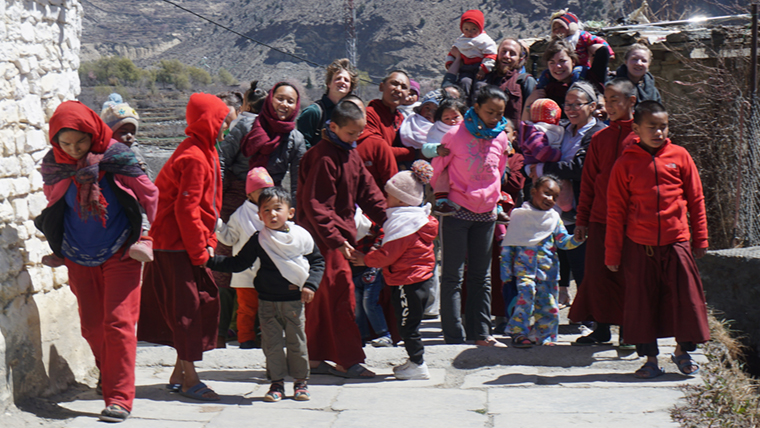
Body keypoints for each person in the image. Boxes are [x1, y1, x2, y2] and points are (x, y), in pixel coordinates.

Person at [36, 101, 158, 422]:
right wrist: (58, 243)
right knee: (92, 325)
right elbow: (54, 202)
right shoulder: (55, 165)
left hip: (121, 249)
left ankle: (119, 398)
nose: (74, 150)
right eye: (65, 144)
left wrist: (143, 236)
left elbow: (148, 195)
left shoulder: (117, 156)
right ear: (55, 142)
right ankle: (108, 371)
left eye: (81, 142)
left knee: (118, 323)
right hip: (78, 252)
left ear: (93, 134)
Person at [605, 100, 709, 379]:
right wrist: (613, 254)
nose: (659, 132)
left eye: (663, 126)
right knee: (642, 302)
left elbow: (696, 199)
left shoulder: (681, 155)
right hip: (640, 244)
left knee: (685, 298)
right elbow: (615, 212)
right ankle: (650, 358)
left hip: (677, 241)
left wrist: (700, 238)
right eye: (652, 127)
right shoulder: (625, 163)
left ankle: (681, 351)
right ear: (637, 128)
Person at [138, 93, 230, 402]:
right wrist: (199, 252)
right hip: (174, 246)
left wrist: (209, 241)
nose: (225, 127)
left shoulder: (206, 151)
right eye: (221, 121)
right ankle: (191, 380)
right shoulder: (192, 156)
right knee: (188, 311)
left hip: (186, 244)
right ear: (208, 122)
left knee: (200, 304)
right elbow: (186, 211)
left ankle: (178, 374)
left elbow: (207, 208)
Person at [207, 186, 325, 401]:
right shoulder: (259, 238)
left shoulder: (301, 236)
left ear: (290, 212)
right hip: (267, 302)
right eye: (266, 210)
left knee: (297, 343)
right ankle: (276, 384)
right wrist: (208, 260)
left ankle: (301, 383)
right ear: (259, 215)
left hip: (293, 301)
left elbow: (317, 261)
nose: (272, 214)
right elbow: (239, 263)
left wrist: (310, 285)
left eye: (277, 209)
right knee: (271, 345)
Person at [297, 99, 388, 378]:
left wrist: (391, 219)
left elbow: (368, 191)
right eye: (351, 134)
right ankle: (348, 361)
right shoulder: (323, 156)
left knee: (323, 300)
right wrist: (336, 239)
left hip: (336, 240)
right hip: (323, 242)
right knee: (341, 296)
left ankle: (313, 358)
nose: (355, 139)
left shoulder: (350, 153)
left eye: (359, 134)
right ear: (333, 127)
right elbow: (316, 206)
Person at [431, 86, 514, 346]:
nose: (493, 117)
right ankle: (453, 335)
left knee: (482, 275)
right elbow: (437, 170)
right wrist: (444, 195)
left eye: (499, 113)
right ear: (476, 107)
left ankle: (481, 333)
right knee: (453, 275)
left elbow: (499, 172)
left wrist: (493, 198)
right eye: (489, 111)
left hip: (487, 213)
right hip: (457, 211)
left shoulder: (501, 138)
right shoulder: (454, 135)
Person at [352, 160, 438, 380]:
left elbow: (388, 253)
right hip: (419, 279)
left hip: (406, 281)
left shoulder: (403, 226)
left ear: (400, 199)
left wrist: (365, 259)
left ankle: (418, 364)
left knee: (407, 325)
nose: (385, 200)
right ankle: (413, 360)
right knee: (411, 323)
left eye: (389, 195)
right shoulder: (417, 219)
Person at [571, 79, 638, 346]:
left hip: (631, 221)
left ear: (631, 101)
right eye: (606, 100)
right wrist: (582, 219)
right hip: (600, 218)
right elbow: (588, 183)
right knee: (598, 275)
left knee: (628, 275)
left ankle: (629, 331)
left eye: (615, 100)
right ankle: (601, 327)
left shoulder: (639, 137)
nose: (608, 106)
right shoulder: (600, 138)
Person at [528, 81, 606, 308]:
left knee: (583, 264)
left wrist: (542, 169)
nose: (571, 109)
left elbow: (580, 167)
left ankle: (591, 315)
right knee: (564, 260)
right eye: (567, 104)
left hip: (582, 207)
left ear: (592, 107)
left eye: (577, 104)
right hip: (559, 209)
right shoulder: (562, 129)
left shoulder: (596, 133)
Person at [214, 80, 268, 347]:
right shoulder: (247, 126)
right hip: (239, 196)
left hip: (256, 197)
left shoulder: (277, 129)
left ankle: (232, 330)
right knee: (231, 259)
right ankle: (225, 331)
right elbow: (224, 158)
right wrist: (221, 195)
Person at [501, 175, 584, 347]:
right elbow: (509, 245)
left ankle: (544, 336)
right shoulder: (519, 216)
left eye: (554, 197)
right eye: (546, 193)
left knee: (548, 305)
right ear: (533, 192)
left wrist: (576, 239)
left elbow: (563, 241)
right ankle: (519, 333)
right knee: (525, 298)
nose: (550, 199)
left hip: (548, 272)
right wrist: (506, 273)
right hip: (524, 270)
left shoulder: (554, 218)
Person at [214, 167, 274, 349]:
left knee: (268, 308)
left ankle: (267, 338)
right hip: (246, 273)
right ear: (250, 194)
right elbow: (229, 238)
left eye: (268, 190)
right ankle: (245, 339)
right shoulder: (240, 215)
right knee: (246, 308)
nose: (266, 195)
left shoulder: (275, 211)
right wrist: (217, 224)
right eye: (261, 191)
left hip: (271, 273)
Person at [240, 82, 306, 206]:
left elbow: (297, 184)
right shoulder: (247, 126)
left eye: (290, 101)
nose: (284, 104)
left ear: (296, 106)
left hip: (271, 205)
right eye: (280, 99)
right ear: (270, 99)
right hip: (236, 198)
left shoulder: (296, 139)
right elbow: (223, 161)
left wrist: (291, 214)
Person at [524, 39, 609, 120]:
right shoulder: (545, 89)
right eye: (552, 62)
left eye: (562, 61)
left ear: (573, 62)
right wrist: (529, 101)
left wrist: (587, 48)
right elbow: (526, 122)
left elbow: (603, 50)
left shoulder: (588, 78)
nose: (557, 66)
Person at [357, 70, 413, 176]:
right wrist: (413, 153)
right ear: (381, 87)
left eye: (404, 87)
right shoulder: (369, 114)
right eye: (394, 84)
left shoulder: (402, 119)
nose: (398, 89)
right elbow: (378, 151)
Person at [297, 58, 359, 148]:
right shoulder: (313, 112)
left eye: (346, 80)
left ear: (350, 88)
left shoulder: (350, 114)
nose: (342, 81)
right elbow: (301, 148)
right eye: (338, 78)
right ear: (329, 84)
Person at [443, 9, 498, 102]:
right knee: (464, 83)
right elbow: (453, 52)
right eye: (466, 29)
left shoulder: (484, 40)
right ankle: (464, 104)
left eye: (474, 29)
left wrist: (483, 69)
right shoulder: (461, 40)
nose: (470, 32)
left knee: (480, 86)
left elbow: (491, 55)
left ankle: (478, 105)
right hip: (466, 68)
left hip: (480, 69)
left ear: (480, 28)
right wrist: (449, 63)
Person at [481, 38, 536, 127]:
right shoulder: (485, 79)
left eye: (512, 54)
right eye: (504, 51)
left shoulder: (525, 81)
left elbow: (532, 116)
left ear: (520, 59)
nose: (507, 56)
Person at [549, 10, 615, 68]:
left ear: (571, 26)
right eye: (555, 29)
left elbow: (599, 41)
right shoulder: (556, 42)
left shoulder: (582, 36)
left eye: (561, 27)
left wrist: (609, 54)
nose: (557, 30)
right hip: (561, 68)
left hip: (581, 66)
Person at [520, 98, 564, 167]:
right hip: (535, 166)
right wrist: (560, 155)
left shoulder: (543, 130)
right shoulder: (536, 133)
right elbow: (541, 152)